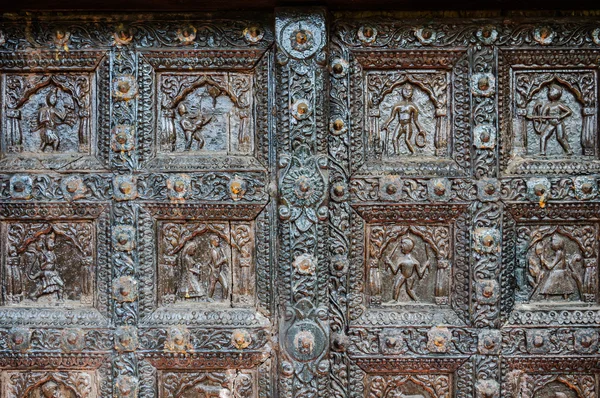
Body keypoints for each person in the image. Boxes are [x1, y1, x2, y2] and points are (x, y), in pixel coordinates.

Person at [381, 85, 426, 155]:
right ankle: (396, 153)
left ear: (412, 93)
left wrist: (420, 129)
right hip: (400, 124)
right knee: (394, 138)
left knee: (407, 140)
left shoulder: (413, 106)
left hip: (408, 124)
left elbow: (415, 120)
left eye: (409, 91)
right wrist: (386, 123)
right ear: (401, 92)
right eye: (405, 90)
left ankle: (414, 153)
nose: (407, 92)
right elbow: (392, 117)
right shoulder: (397, 106)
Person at [530, 84, 573, 156]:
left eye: (551, 90)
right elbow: (543, 119)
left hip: (558, 123)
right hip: (551, 124)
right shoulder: (547, 106)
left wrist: (561, 116)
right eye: (549, 91)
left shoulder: (558, 104)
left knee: (560, 138)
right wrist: (536, 118)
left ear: (557, 93)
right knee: (543, 136)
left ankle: (569, 151)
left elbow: (569, 111)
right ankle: (542, 152)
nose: (549, 92)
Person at [536, 234, 579, 300]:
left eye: (552, 242)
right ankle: (565, 298)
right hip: (561, 272)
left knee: (548, 286)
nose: (550, 244)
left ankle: (547, 298)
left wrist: (543, 260)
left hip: (557, 273)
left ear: (557, 244)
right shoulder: (561, 252)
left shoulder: (559, 253)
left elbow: (550, 266)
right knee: (564, 288)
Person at [385, 237, 429, 302]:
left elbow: (420, 274)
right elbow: (420, 274)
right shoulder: (412, 261)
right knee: (397, 287)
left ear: (406, 247)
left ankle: (417, 300)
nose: (400, 247)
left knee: (408, 290)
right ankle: (395, 300)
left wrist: (425, 264)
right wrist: (389, 262)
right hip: (403, 276)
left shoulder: (407, 261)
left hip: (409, 277)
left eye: (402, 245)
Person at [28, 233, 64, 302]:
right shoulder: (43, 254)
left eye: (53, 243)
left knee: (60, 285)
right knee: (45, 287)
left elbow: (54, 265)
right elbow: (42, 266)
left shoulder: (52, 253)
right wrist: (47, 262)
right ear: (46, 243)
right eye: (50, 243)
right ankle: (34, 295)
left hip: (53, 273)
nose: (52, 245)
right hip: (46, 273)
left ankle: (60, 299)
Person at [207, 236, 229, 300]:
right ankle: (209, 298)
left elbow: (226, 259)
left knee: (226, 286)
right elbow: (216, 264)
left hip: (219, 272)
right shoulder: (213, 251)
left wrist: (223, 252)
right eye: (216, 241)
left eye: (218, 241)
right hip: (214, 272)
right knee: (212, 287)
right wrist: (223, 260)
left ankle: (224, 300)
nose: (218, 242)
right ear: (212, 242)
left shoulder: (218, 249)